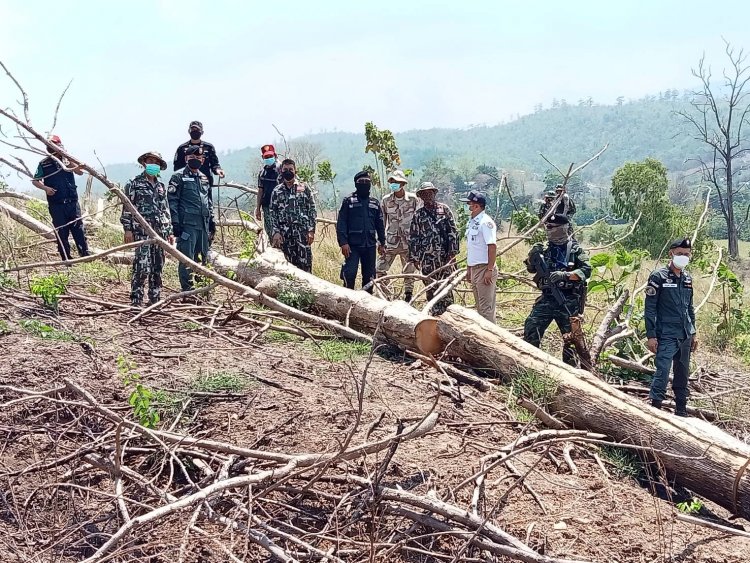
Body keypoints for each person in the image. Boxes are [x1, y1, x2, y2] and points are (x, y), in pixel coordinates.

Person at [523, 214, 591, 365]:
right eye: (547, 227)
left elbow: (586, 271)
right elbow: (531, 269)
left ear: (563, 228)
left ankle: (571, 371)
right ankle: (529, 364)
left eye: (552, 228)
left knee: (571, 340)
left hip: (567, 300)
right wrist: (532, 257)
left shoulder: (575, 250)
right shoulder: (544, 249)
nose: (549, 231)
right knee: (531, 327)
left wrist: (565, 275)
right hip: (547, 298)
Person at [645, 238, 697, 417]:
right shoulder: (658, 277)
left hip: (685, 334)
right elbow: (650, 308)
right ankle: (655, 410)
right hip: (666, 334)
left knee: (682, 374)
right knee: (663, 372)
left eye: (687, 254)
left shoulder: (687, 278)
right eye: (680, 254)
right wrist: (651, 335)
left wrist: (694, 333)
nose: (683, 257)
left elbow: (689, 308)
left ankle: (681, 410)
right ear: (671, 253)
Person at [120, 151, 174, 306]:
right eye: (150, 161)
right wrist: (128, 229)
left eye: (156, 162)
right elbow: (127, 207)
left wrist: (169, 231)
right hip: (141, 232)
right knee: (142, 267)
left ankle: (154, 300)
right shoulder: (134, 183)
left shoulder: (161, 186)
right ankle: (136, 300)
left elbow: (165, 209)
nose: (153, 164)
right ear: (144, 163)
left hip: (160, 233)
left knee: (158, 266)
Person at [31, 135, 90, 260]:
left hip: (72, 202)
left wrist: (68, 157)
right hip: (56, 204)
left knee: (78, 229)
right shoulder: (44, 163)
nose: (52, 147)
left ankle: (85, 255)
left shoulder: (67, 160)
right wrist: (45, 188)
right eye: (50, 145)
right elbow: (35, 181)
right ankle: (66, 258)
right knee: (61, 232)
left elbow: (79, 171)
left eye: (55, 145)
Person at [168, 145, 215, 291]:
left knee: (203, 259)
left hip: (203, 226)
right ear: (186, 158)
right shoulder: (178, 176)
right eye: (192, 157)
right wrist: (175, 223)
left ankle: (202, 291)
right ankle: (188, 292)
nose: (196, 160)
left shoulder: (204, 177)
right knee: (187, 259)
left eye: (199, 158)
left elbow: (209, 201)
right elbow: (172, 200)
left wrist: (212, 221)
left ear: (203, 159)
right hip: (187, 225)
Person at [408, 182, 459, 314]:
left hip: (444, 257)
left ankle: (449, 313)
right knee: (430, 285)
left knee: (446, 284)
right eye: (424, 193)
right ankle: (434, 313)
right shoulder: (418, 215)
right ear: (421, 196)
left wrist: (452, 254)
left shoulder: (444, 210)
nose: (427, 195)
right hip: (427, 259)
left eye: (430, 192)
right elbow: (414, 237)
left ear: (434, 193)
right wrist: (414, 258)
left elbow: (453, 232)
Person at [336, 171, 385, 292]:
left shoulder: (375, 203)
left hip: (370, 245)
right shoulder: (349, 201)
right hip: (352, 246)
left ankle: (366, 302)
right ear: (356, 184)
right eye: (361, 182)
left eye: (367, 182)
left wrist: (382, 243)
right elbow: (341, 223)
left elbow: (380, 224)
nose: (364, 184)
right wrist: (343, 243)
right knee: (350, 274)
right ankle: (347, 299)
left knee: (369, 277)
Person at [376, 169, 419, 301]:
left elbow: (418, 222)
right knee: (379, 270)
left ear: (402, 184)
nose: (394, 184)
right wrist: (380, 242)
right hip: (391, 242)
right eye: (392, 182)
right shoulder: (386, 200)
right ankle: (388, 296)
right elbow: (381, 222)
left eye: (397, 182)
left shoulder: (413, 199)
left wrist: (417, 243)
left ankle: (408, 298)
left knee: (408, 273)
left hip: (408, 243)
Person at [269, 159, 317, 272]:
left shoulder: (304, 188)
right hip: (284, 235)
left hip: (302, 234)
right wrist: (275, 232)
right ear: (281, 171)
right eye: (285, 169)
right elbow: (272, 212)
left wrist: (311, 230)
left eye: (291, 169)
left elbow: (312, 209)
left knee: (305, 266)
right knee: (287, 268)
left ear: (296, 171)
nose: (288, 172)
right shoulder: (277, 191)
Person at [460, 190, 498, 322]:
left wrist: (489, 269)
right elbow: (473, 248)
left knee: (486, 309)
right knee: (479, 308)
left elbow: (492, 246)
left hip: (484, 269)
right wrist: (469, 269)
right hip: (475, 268)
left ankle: (491, 339)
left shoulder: (485, 222)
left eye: (469, 204)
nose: (467, 207)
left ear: (476, 206)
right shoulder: (473, 222)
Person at [172, 121, 225, 186]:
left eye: (197, 130)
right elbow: (177, 167)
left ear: (202, 132)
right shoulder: (182, 148)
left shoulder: (209, 147)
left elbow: (215, 164)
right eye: (193, 129)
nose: (195, 131)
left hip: (205, 183)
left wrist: (218, 170)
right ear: (189, 131)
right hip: (186, 184)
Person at [255, 144, 280, 237]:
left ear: (275, 155)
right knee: (269, 231)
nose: (269, 158)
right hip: (266, 207)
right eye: (266, 157)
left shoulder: (280, 170)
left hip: (279, 207)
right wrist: (258, 209)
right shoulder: (262, 173)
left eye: (270, 156)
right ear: (263, 157)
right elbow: (260, 191)